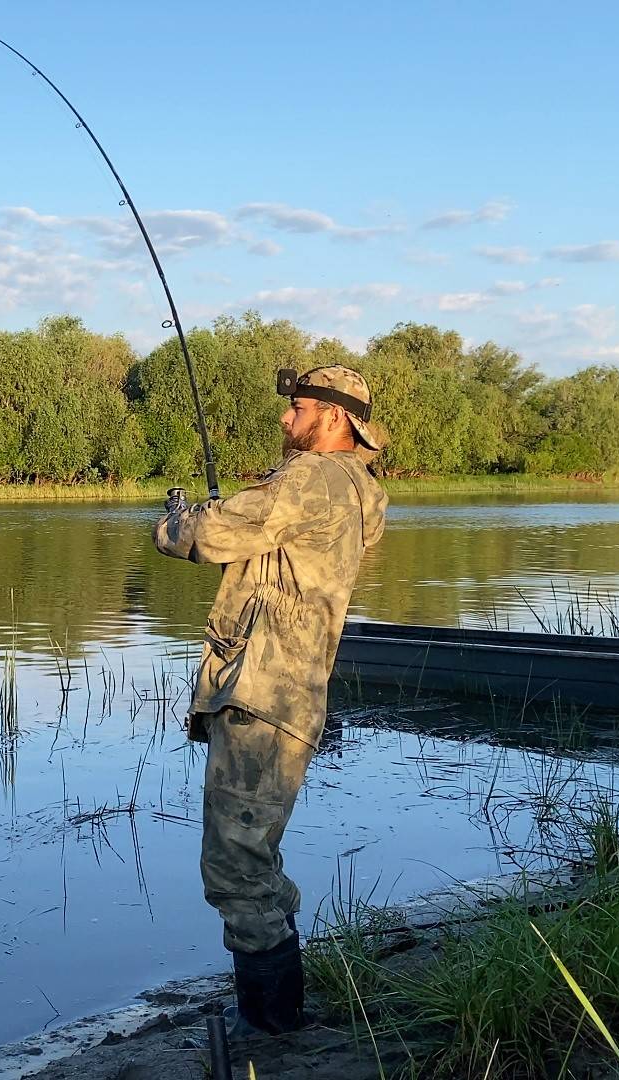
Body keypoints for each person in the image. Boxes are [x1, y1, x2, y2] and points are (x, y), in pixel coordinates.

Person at [154, 364, 389, 1037]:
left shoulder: (312, 479)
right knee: (250, 854)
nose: (286, 420)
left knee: (237, 864)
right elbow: (263, 534)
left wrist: (177, 513)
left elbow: (203, 536)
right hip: (295, 695)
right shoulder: (358, 489)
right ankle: (270, 1009)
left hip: (262, 690)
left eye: (299, 409)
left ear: (336, 418)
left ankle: (272, 1026)